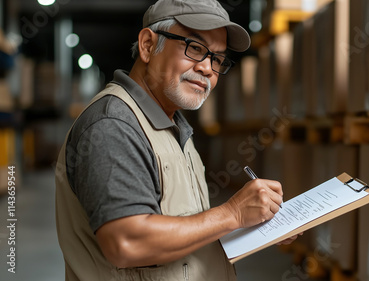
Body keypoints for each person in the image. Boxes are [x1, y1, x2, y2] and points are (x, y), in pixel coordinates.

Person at [55, 0, 298, 280]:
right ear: (147, 45)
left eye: (217, 59)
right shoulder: (113, 125)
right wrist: (232, 214)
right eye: (195, 48)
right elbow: (126, 243)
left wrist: (254, 223)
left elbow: (183, 228)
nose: (208, 68)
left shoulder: (172, 125)